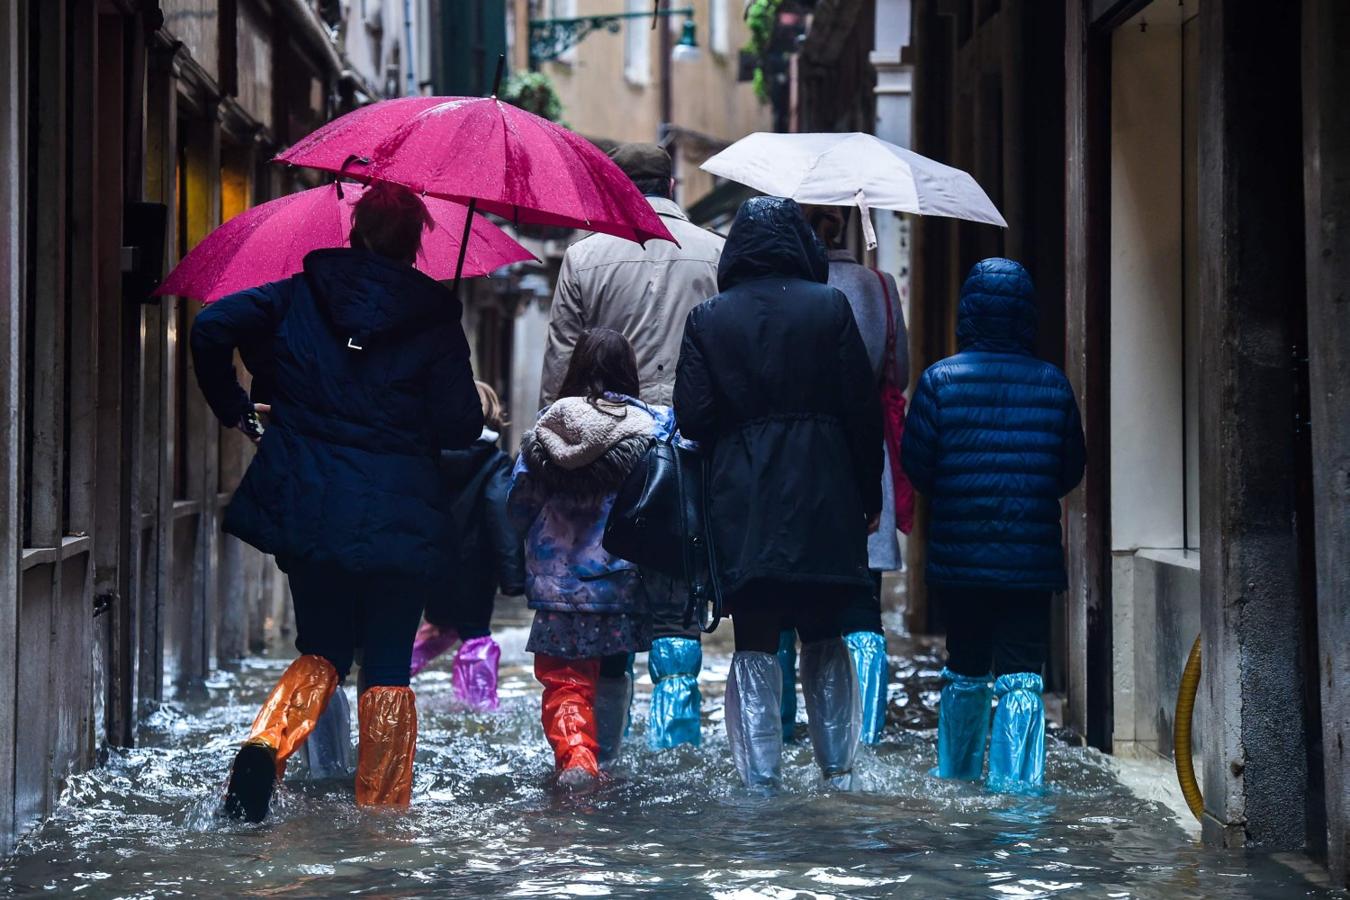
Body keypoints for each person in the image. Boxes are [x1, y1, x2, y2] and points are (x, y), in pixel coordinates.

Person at [190, 182, 482, 821]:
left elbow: (211, 326)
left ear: (353, 233)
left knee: (321, 647)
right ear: (415, 246)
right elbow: (461, 427)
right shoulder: (435, 316)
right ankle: (380, 818)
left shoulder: (299, 293)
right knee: (385, 664)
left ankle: (267, 743)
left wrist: (238, 409)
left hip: (311, 500)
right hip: (400, 514)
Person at [674, 197, 884, 791]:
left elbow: (691, 418)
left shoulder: (709, 318)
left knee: (757, 638)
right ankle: (839, 772)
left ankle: (760, 781)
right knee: (825, 629)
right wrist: (869, 497)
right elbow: (861, 413)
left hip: (743, 500)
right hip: (826, 493)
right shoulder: (832, 308)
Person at [539, 142, 719, 751]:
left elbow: (561, 367)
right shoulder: (714, 253)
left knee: (607, 617)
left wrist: (554, 457)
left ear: (616, 185)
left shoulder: (584, 257)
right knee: (676, 613)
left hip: (602, 453)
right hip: (685, 458)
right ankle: (676, 756)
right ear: (672, 183)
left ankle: (606, 757)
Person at [901, 257, 1085, 793]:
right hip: (1029, 561)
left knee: (966, 665)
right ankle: (1018, 790)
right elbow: (1070, 468)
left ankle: (956, 776)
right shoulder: (1053, 384)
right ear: (1027, 315)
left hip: (961, 557)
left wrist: (961, 490)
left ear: (968, 313)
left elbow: (918, 465)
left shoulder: (940, 381)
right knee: (1023, 670)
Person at [776, 205, 910, 746]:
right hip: (862, 455)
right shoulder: (878, 285)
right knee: (862, 601)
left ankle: (780, 730)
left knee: (781, 599)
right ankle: (865, 734)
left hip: (791, 458)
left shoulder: (784, 289)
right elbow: (896, 372)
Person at [509, 328, 667, 785]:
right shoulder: (652, 430)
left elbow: (519, 504)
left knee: (563, 676)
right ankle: (606, 761)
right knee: (615, 668)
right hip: (620, 577)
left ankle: (577, 756)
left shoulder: (547, 427)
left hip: (556, 583)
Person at [409, 381, 526, 711]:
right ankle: (478, 706)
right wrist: (514, 578)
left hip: (430, 565)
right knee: (475, 635)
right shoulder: (496, 463)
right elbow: (500, 518)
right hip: (475, 571)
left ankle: (385, 677)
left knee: (438, 625)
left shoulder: (428, 455)